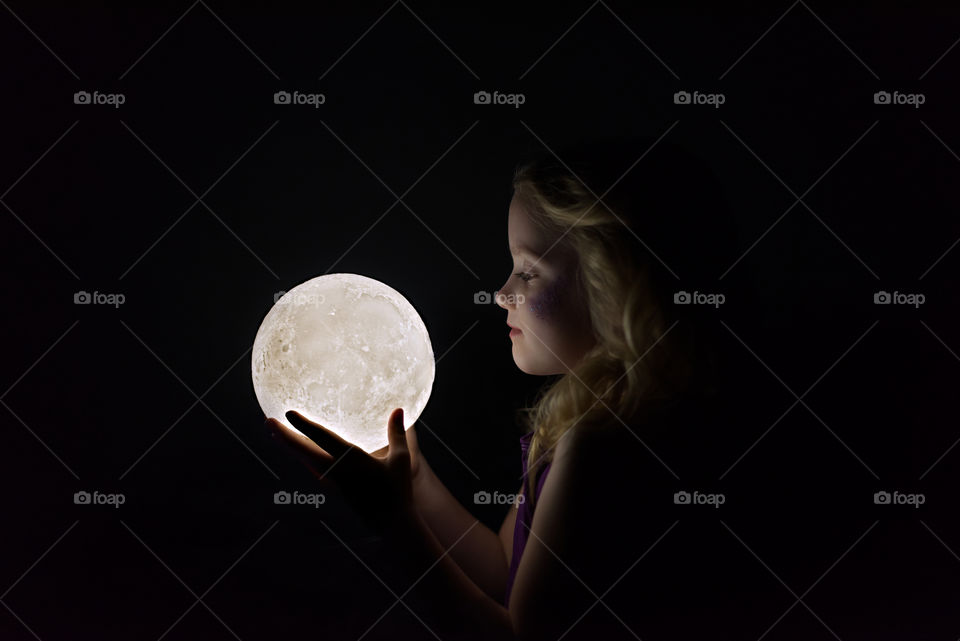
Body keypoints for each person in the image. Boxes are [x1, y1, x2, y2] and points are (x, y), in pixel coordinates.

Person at [265, 135, 746, 640]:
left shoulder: (603, 446)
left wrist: (395, 524)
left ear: (613, 285)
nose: (502, 294)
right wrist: (415, 481)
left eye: (528, 270)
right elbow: (503, 568)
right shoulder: (584, 423)